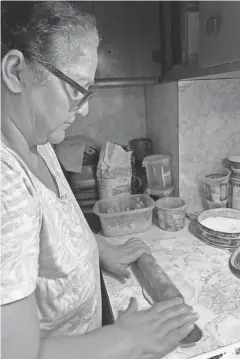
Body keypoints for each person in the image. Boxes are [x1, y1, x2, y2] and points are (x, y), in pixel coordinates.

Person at [1, 2, 199, 359]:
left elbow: (57, 224)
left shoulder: (38, 138)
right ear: (16, 72)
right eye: (78, 89)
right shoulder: (5, 183)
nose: (86, 109)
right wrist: (126, 340)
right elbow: (14, 354)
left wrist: (96, 248)